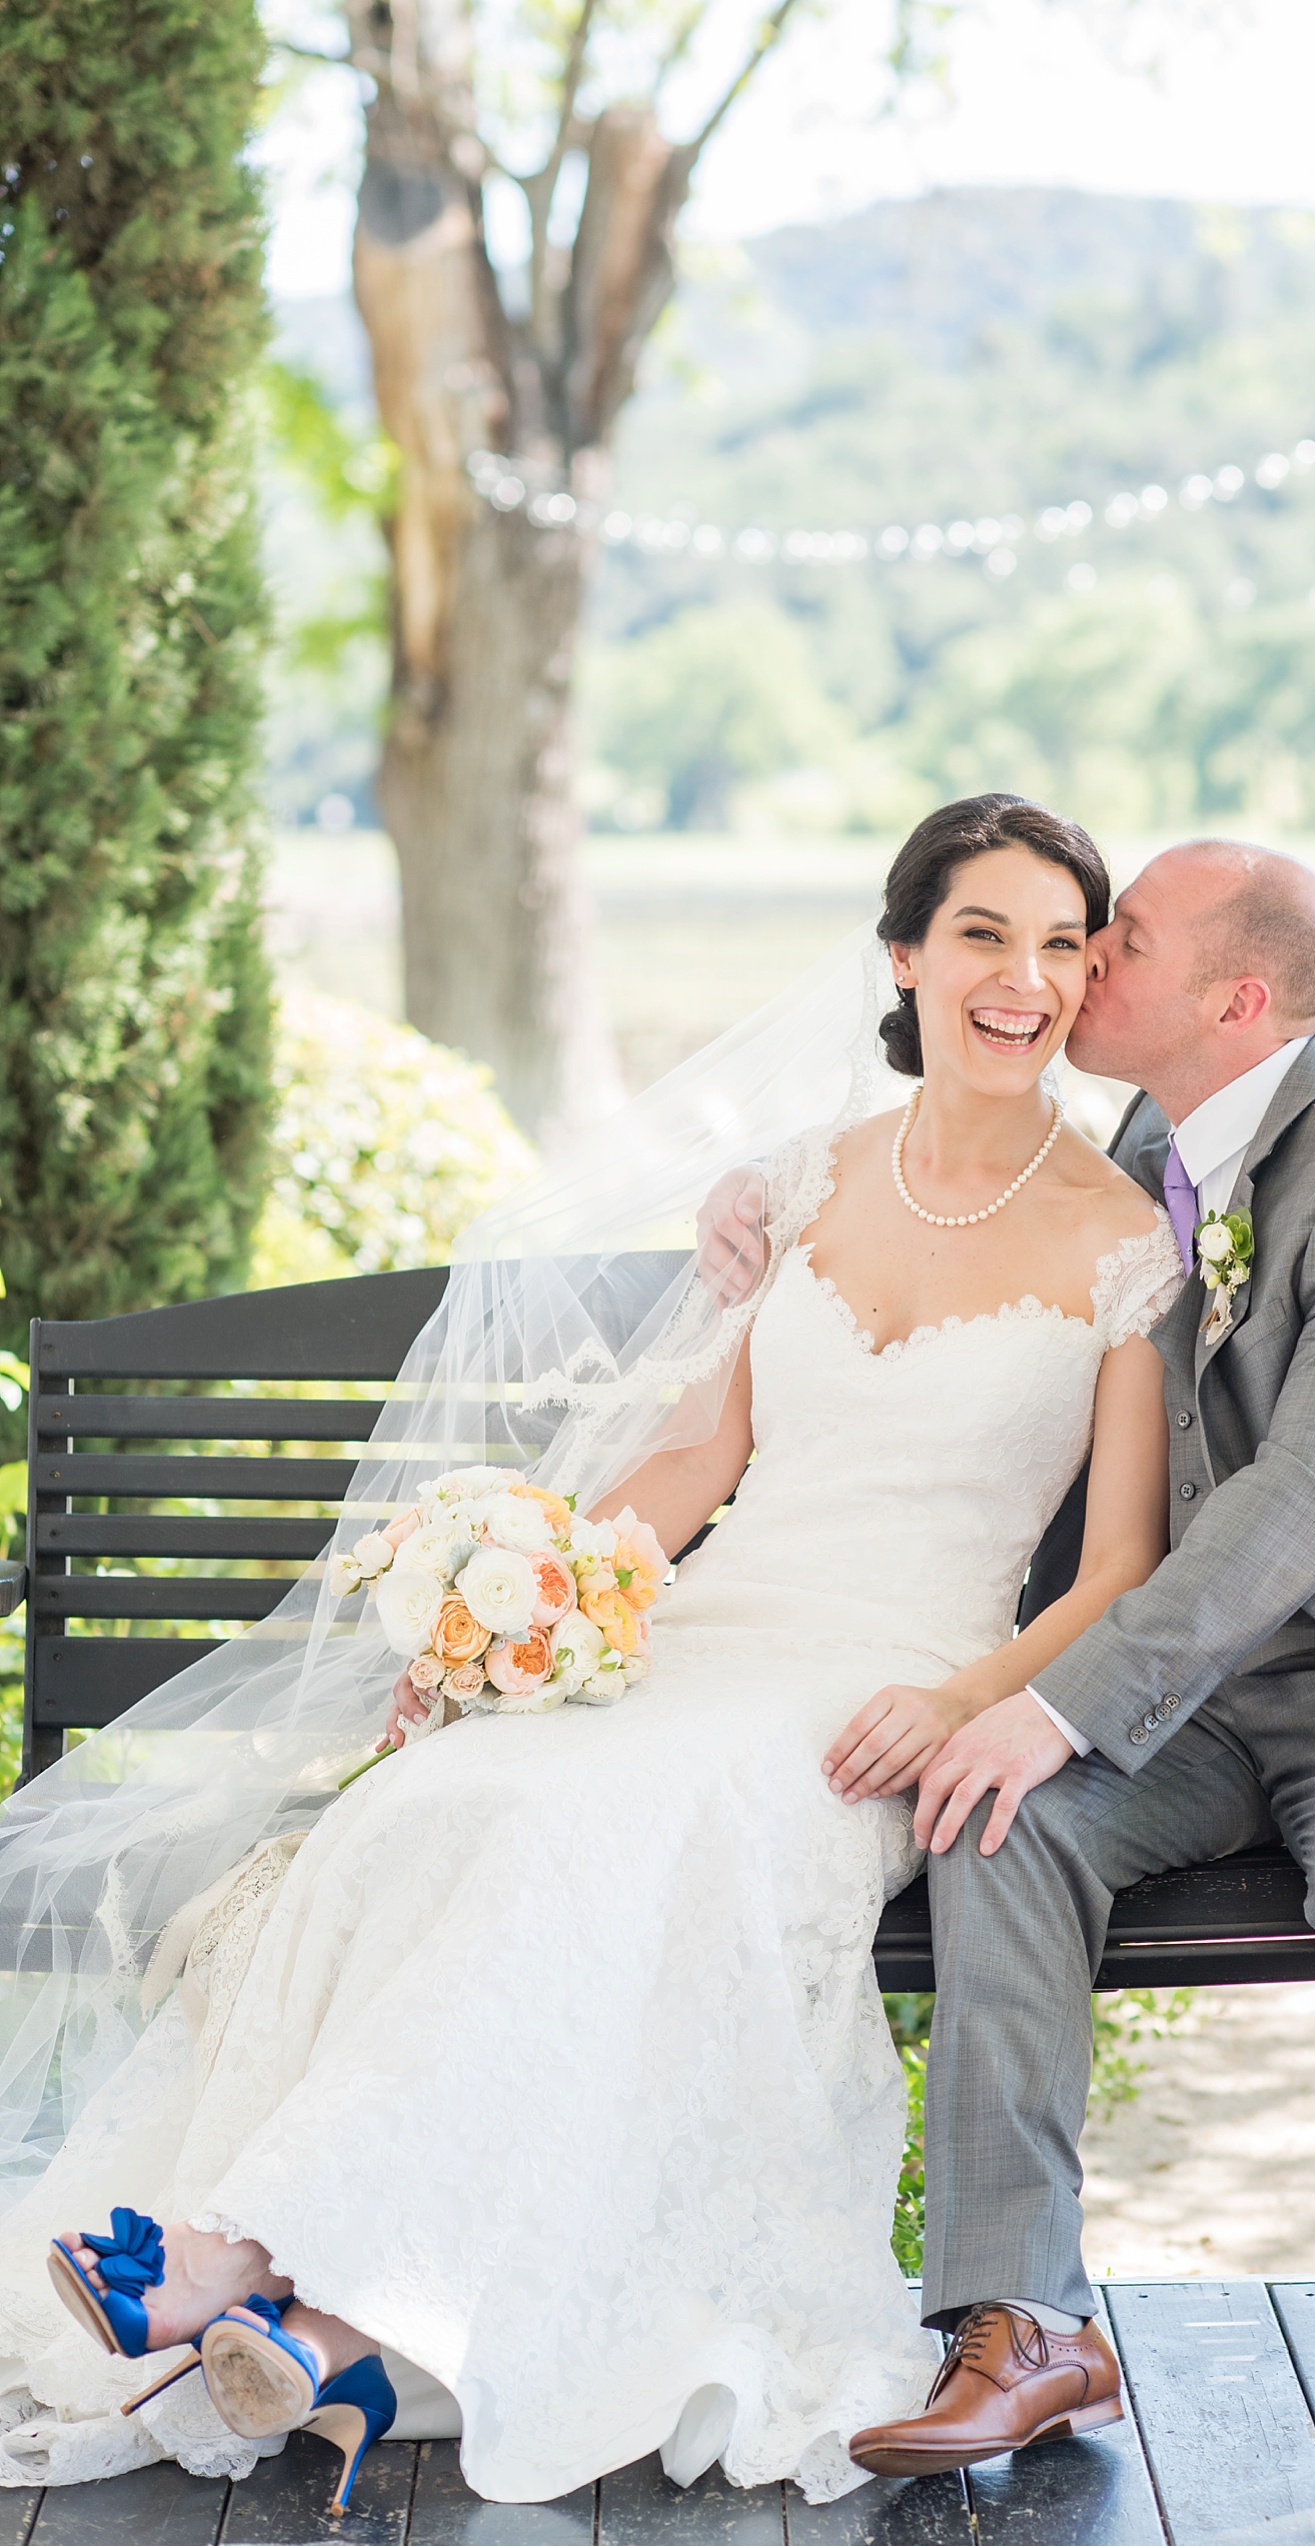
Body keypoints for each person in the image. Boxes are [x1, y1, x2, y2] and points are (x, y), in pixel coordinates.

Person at [0, 797, 1185, 2506]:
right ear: (908, 955)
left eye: (1065, 942)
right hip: (706, 1633)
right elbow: (694, 1464)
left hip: (877, 1691)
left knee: (603, 1828)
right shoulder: (800, 1184)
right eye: (986, 934)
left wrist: (960, 1699)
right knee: (441, 1798)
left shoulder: (1124, 1239)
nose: (1028, 979)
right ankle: (323, 2318)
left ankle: (234, 2264)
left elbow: (1124, 1566)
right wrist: (520, 1623)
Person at [842, 838, 1315, 2482]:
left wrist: (1055, 1699)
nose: (1085, 955)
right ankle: (1025, 2320)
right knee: (1002, 1817)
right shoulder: (1145, 1140)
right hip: (1196, 1692)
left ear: (1236, 999)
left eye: (1124, 938)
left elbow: (1298, 1504)